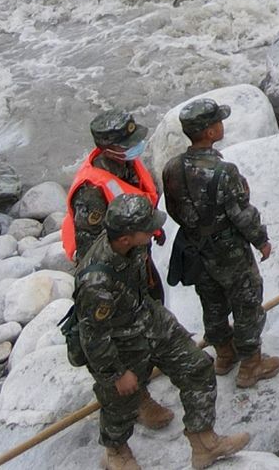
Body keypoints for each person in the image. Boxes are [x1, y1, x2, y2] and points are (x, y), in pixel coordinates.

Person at [74, 194, 251, 470]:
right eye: (147, 229)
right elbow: (93, 336)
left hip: (151, 321)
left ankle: (204, 442)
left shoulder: (133, 246)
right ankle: (116, 451)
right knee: (121, 401)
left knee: (197, 367)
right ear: (125, 238)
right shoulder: (96, 281)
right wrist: (116, 373)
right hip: (119, 343)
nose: (154, 231)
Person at [163, 99, 279, 388]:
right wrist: (261, 240)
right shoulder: (223, 171)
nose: (221, 124)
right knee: (246, 302)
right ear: (211, 132)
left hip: (195, 248)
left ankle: (224, 354)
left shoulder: (172, 167)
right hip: (228, 251)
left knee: (211, 302)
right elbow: (241, 214)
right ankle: (251, 364)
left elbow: (173, 209)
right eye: (218, 121)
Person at [66, 110, 161, 262]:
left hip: (136, 244)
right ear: (108, 151)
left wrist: (153, 227)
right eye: (129, 145)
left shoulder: (125, 161)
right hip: (117, 259)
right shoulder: (91, 193)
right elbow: (89, 245)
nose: (136, 146)